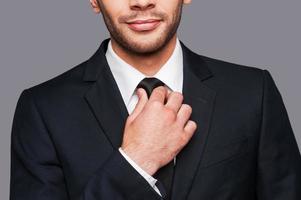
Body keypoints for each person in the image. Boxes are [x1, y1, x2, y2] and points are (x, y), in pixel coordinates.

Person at [10, 0, 301, 199]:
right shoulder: (42, 109)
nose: (141, 1)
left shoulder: (253, 92)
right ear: (94, 1)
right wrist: (135, 162)